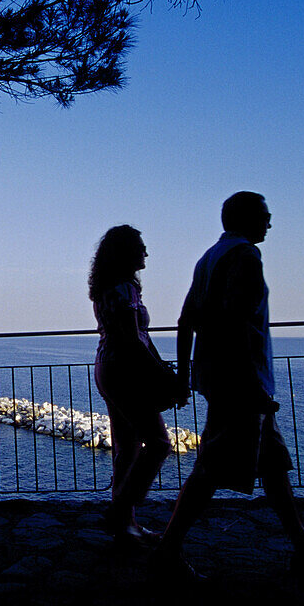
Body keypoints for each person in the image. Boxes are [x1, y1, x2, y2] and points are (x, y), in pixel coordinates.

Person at [151, 192, 304, 580]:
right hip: (241, 383)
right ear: (250, 218)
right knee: (208, 469)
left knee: (273, 466)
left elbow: (186, 320)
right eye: (266, 215)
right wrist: (254, 386)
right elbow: (236, 321)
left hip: (220, 378)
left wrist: (185, 373)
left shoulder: (208, 258)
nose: (270, 223)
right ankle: (167, 550)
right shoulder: (245, 257)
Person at [89, 225, 180, 545]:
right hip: (124, 371)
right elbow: (132, 339)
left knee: (126, 449)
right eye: (140, 247)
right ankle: (118, 511)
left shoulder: (110, 287)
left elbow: (140, 337)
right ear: (126, 252)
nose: (146, 253)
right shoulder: (125, 288)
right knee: (158, 443)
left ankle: (125, 526)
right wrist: (162, 374)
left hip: (108, 366)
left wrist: (159, 365)